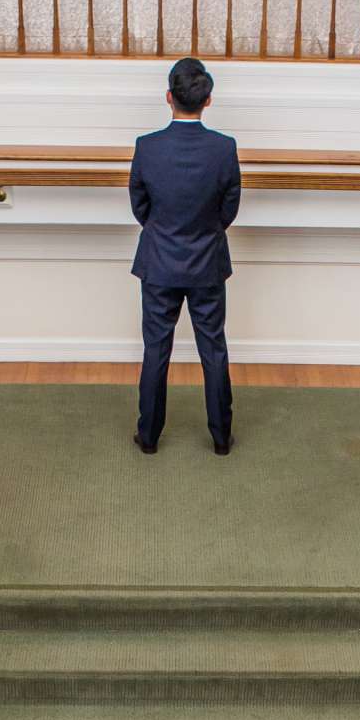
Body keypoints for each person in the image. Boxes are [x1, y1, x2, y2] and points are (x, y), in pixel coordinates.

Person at [128, 58, 242, 457]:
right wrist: (204, 234)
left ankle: (150, 436)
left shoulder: (147, 147)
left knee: (156, 348)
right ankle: (221, 437)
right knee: (213, 347)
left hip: (159, 261)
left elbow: (139, 206)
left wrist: (164, 232)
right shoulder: (224, 148)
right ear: (208, 100)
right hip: (207, 261)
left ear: (168, 98)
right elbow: (230, 209)